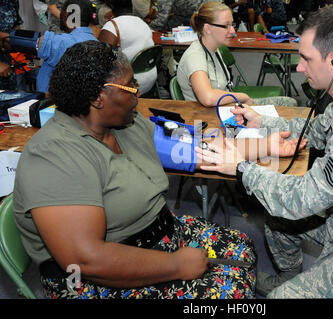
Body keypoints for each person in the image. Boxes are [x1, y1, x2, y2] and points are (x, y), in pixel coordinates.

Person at [195, 4, 333, 298]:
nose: (299, 67)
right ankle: (289, 277)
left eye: (305, 58)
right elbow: (314, 131)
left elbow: (301, 199)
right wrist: (262, 120)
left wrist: (240, 167)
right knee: (277, 221)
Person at [13, 40, 256, 299]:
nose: (137, 92)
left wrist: (266, 146)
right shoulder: (54, 157)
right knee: (227, 294)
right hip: (99, 275)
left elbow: (193, 148)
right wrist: (175, 265)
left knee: (242, 247)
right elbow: (84, 261)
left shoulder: (125, 122)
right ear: (98, 98)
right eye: (130, 86)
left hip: (158, 234)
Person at [177, 1, 297, 107]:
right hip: (210, 119)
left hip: (226, 107)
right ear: (208, 28)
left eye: (232, 25)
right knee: (287, 108)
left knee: (289, 103)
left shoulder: (214, 49)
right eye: (226, 26)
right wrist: (241, 96)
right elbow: (208, 98)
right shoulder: (195, 57)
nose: (233, 31)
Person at [0, 0, 100, 93]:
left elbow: (14, 41)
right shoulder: (96, 42)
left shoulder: (59, 42)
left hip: (52, 103)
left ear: (65, 15)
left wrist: (6, 38)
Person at [99, 0, 157, 96]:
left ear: (111, 8)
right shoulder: (143, 24)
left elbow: (101, 61)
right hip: (150, 80)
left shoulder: (112, 26)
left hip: (130, 83)